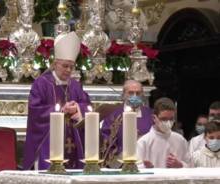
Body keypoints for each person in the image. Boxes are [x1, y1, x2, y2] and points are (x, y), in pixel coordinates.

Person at [23, 32, 91, 170]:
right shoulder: (41, 83)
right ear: (55, 64)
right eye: (65, 66)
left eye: (71, 67)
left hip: (74, 143)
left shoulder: (75, 85)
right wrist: (60, 110)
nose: (68, 70)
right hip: (47, 143)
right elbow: (35, 110)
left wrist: (77, 108)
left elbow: (87, 105)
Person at [101, 80, 152, 168]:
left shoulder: (150, 114)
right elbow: (106, 140)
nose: (135, 96)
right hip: (120, 164)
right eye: (131, 93)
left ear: (142, 95)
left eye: (138, 93)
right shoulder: (113, 115)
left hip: (146, 163)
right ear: (124, 94)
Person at [137, 97, 191, 168]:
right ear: (154, 118)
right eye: (164, 119)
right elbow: (136, 167)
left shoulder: (180, 140)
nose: (168, 123)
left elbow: (190, 165)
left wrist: (180, 165)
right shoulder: (144, 142)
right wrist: (145, 167)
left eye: (171, 119)